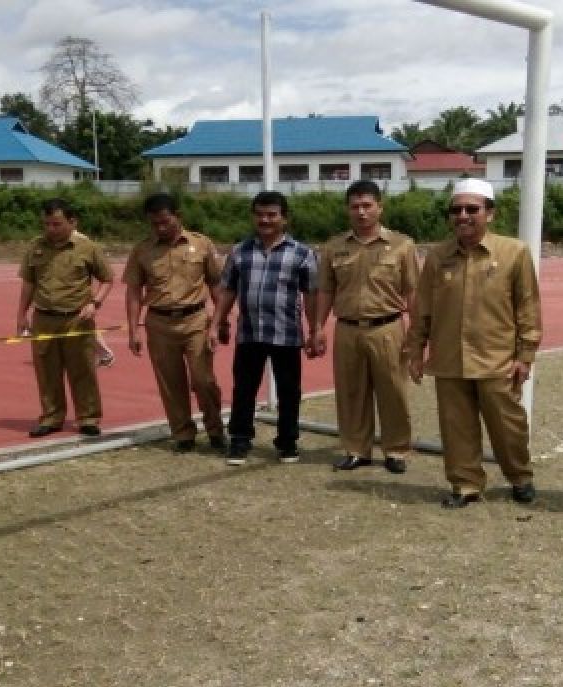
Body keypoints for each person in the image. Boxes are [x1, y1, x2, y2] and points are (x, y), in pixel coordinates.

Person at [407, 178, 541, 508]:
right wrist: (415, 351)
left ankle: (520, 477)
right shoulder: (438, 256)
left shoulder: (514, 253)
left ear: (490, 213)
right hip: (450, 359)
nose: (463, 215)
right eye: (456, 210)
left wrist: (525, 353)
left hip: (496, 359)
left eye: (472, 209)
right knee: (456, 429)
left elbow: (527, 306)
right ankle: (465, 484)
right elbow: (422, 307)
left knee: (508, 427)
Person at [312, 180, 419, 474]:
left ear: (379, 208)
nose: (361, 212)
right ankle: (356, 449)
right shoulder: (333, 247)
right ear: (347, 210)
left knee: (393, 392)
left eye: (367, 206)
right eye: (355, 206)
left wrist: (419, 332)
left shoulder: (402, 245)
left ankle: (397, 450)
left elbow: (412, 291)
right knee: (351, 392)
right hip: (346, 329)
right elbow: (325, 291)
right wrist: (317, 328)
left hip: (388, 328)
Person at [209, 190, 318, 466]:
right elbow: (227, 289)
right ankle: (240, 440)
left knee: (289, 390)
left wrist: (316, 330)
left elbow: (312, 294)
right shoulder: (239, 251)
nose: (265, 220)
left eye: (272, 215)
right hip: (250, 333)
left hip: (287, 333)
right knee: (244, 388)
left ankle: (287, 442)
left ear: (285, 218)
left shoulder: (302, 254)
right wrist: (217, 323)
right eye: (259, 214)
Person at [123, 193, 227, 453]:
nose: (160, 228)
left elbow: (216, 284)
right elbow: (134, 291)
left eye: (165, 222)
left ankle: (215, 429)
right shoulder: (142, 250)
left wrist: (221, 321)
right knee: (171, 382)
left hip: (195, 321)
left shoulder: (201, 244)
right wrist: (133, 330)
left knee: (203, 380)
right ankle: (182, 433)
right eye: (154, 223)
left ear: (178, 217)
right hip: (159, 323)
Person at [15, 198, 114, 438]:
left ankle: (88, 418)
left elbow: (108, 278)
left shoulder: (87, 247)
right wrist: (21, 315)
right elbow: (28, 283)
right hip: (44, 318)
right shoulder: (35, 247)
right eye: (46, 224)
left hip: (77, 319)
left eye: (56, 224)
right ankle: (51, 417)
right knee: (47, 371)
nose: (50, 229)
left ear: (72, 222)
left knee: (82, 370)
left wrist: (95, 303)